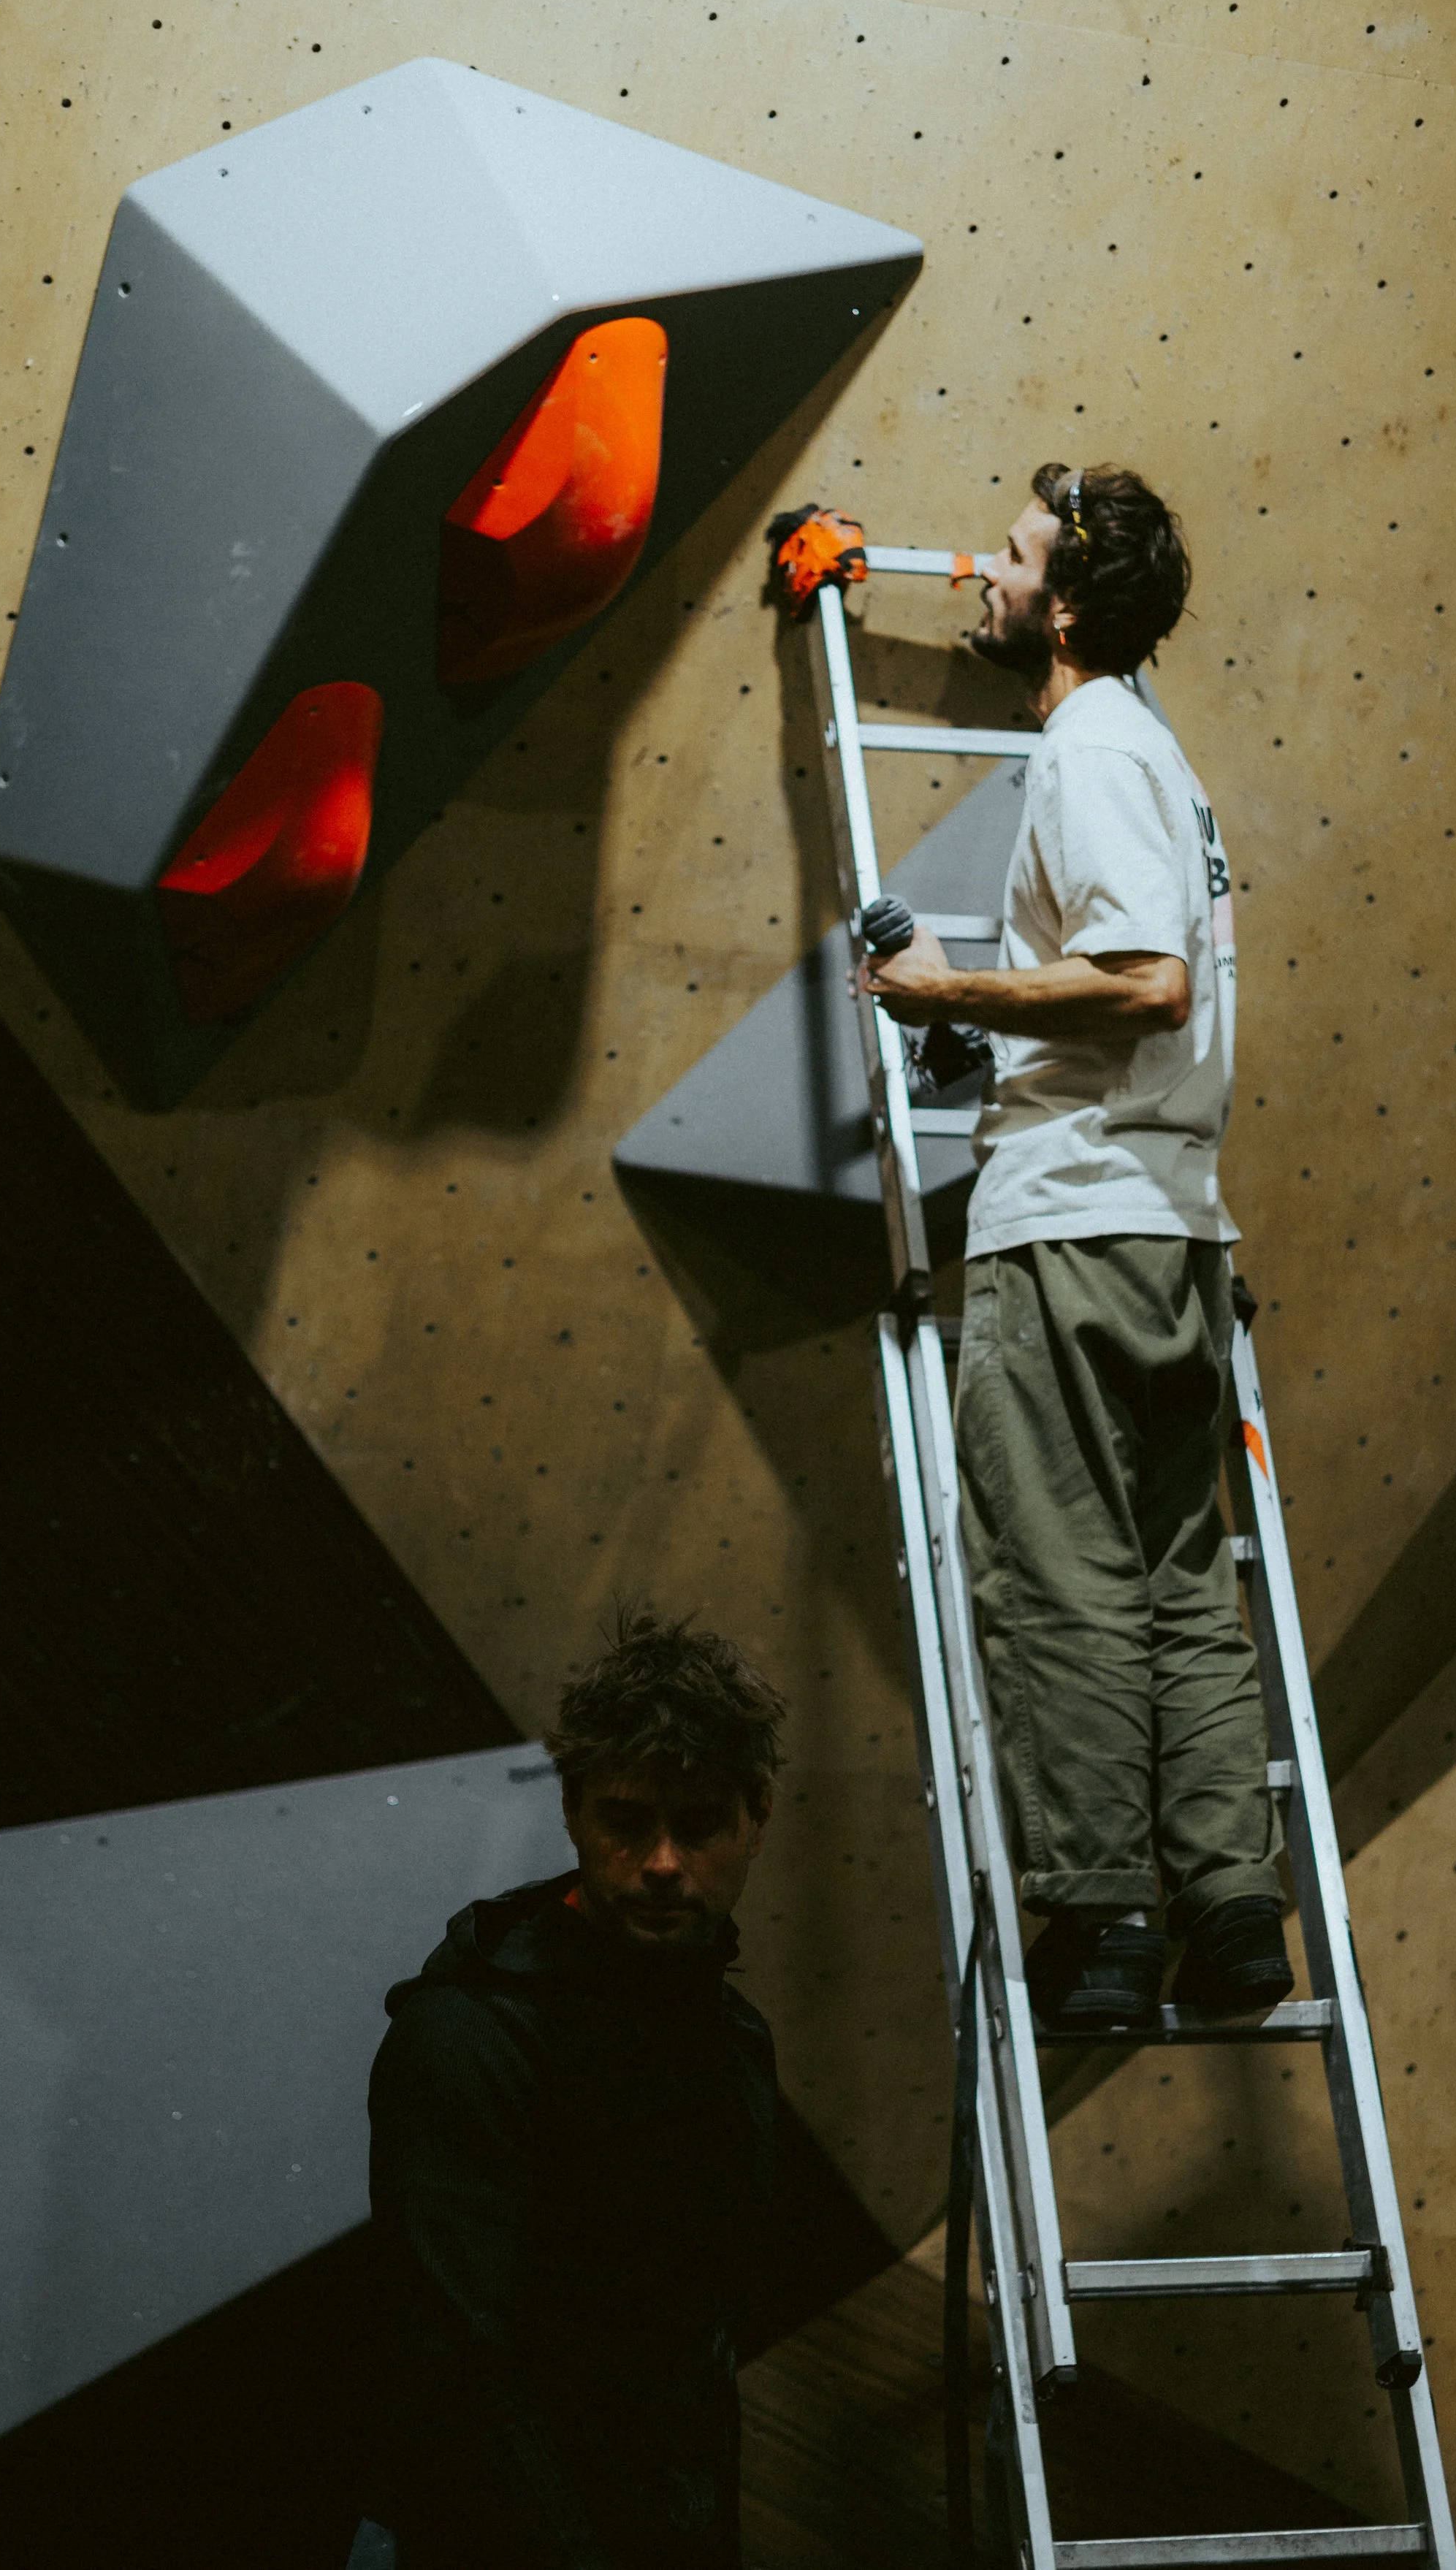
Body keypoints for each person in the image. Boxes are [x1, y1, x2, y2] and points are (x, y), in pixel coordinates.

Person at [861, 461, 1294, 2034]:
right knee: (1179, 1579)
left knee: (1059, 1575)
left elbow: (1144, 980)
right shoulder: (1151, 757)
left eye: (1015, 553)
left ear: (1061, 607)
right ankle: (1232, 1910)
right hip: (1166, 1227)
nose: (981, 564)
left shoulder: (1090, 748)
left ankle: (1101, 1919)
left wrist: (945, 996)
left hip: (1074, 1222)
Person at [355, 1609, 785, 2570]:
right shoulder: (468, 2039)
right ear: (573, 1810)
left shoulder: (732, 2038)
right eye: (627, 1823)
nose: (664, 1864)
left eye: (700, 1823)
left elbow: (696, 2348)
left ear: (759, 1815)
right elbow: (457, 2384)